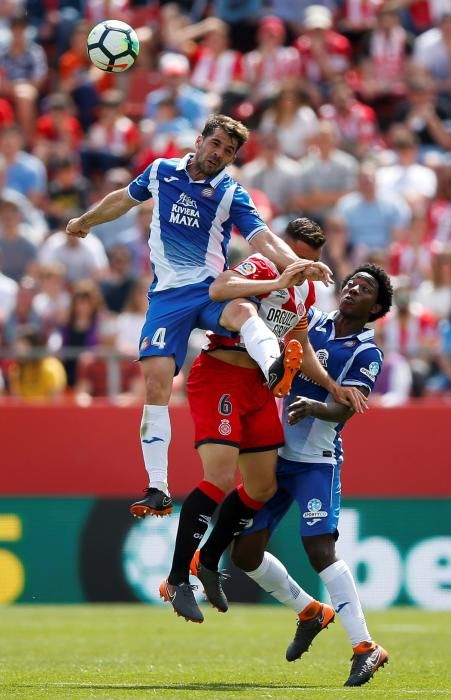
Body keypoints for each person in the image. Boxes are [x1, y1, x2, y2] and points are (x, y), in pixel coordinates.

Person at [65, 114, 332, 518]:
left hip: (209, 289)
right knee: (155, 379)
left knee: (241, 309)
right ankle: (157, 487)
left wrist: (296, 264)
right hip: (168, 297)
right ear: (200, 140)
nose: (220, 154)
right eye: (217, 144)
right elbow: (123, 198)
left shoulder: (230, 192)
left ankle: (275, 366)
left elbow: (261, 237)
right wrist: (85, 221)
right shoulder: (161, 172)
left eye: (229, 151)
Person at [194, 263, 393, 687]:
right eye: (352, 280)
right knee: (245, 555)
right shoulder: (311, 323)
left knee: (319, 549)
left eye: (365, 287)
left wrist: (316, 407)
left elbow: (346, 405)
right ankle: (309, 611)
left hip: (316, 460)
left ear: (375, 306)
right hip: (274, 454)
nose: (353, 286)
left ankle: (366, 647)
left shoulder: (366, 351)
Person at [159, 219, 366, 623]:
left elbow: (300, 345)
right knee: (218, 478)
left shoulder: (305, 291)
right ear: (283, 248)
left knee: (262, 485)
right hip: (219, 373)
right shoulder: (261, 267)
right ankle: (177, 578)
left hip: (258, 383)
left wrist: (330, 384)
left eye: (310, 262)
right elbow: (218, 289)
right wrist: (276, 280)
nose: (303, 267)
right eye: (299, 258)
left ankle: (209, 559)